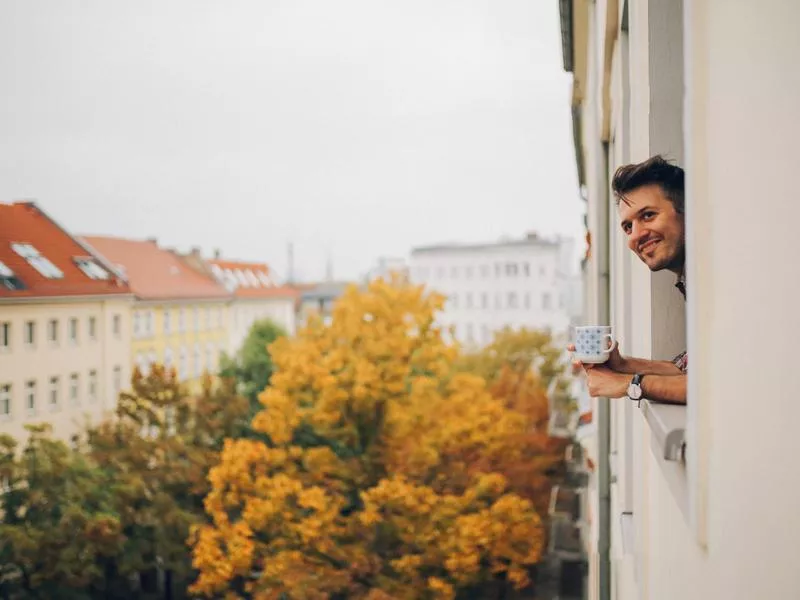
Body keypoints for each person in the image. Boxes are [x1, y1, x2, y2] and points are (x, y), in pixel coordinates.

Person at [571, 155, 687, 404]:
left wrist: (628, 384)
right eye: (627, 227)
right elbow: (690, 370)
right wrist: (622, 364)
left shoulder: (722, 279)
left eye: (648, 215)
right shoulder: (692, 279)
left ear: (686, 212)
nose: (637, 236)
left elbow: (718, 381)